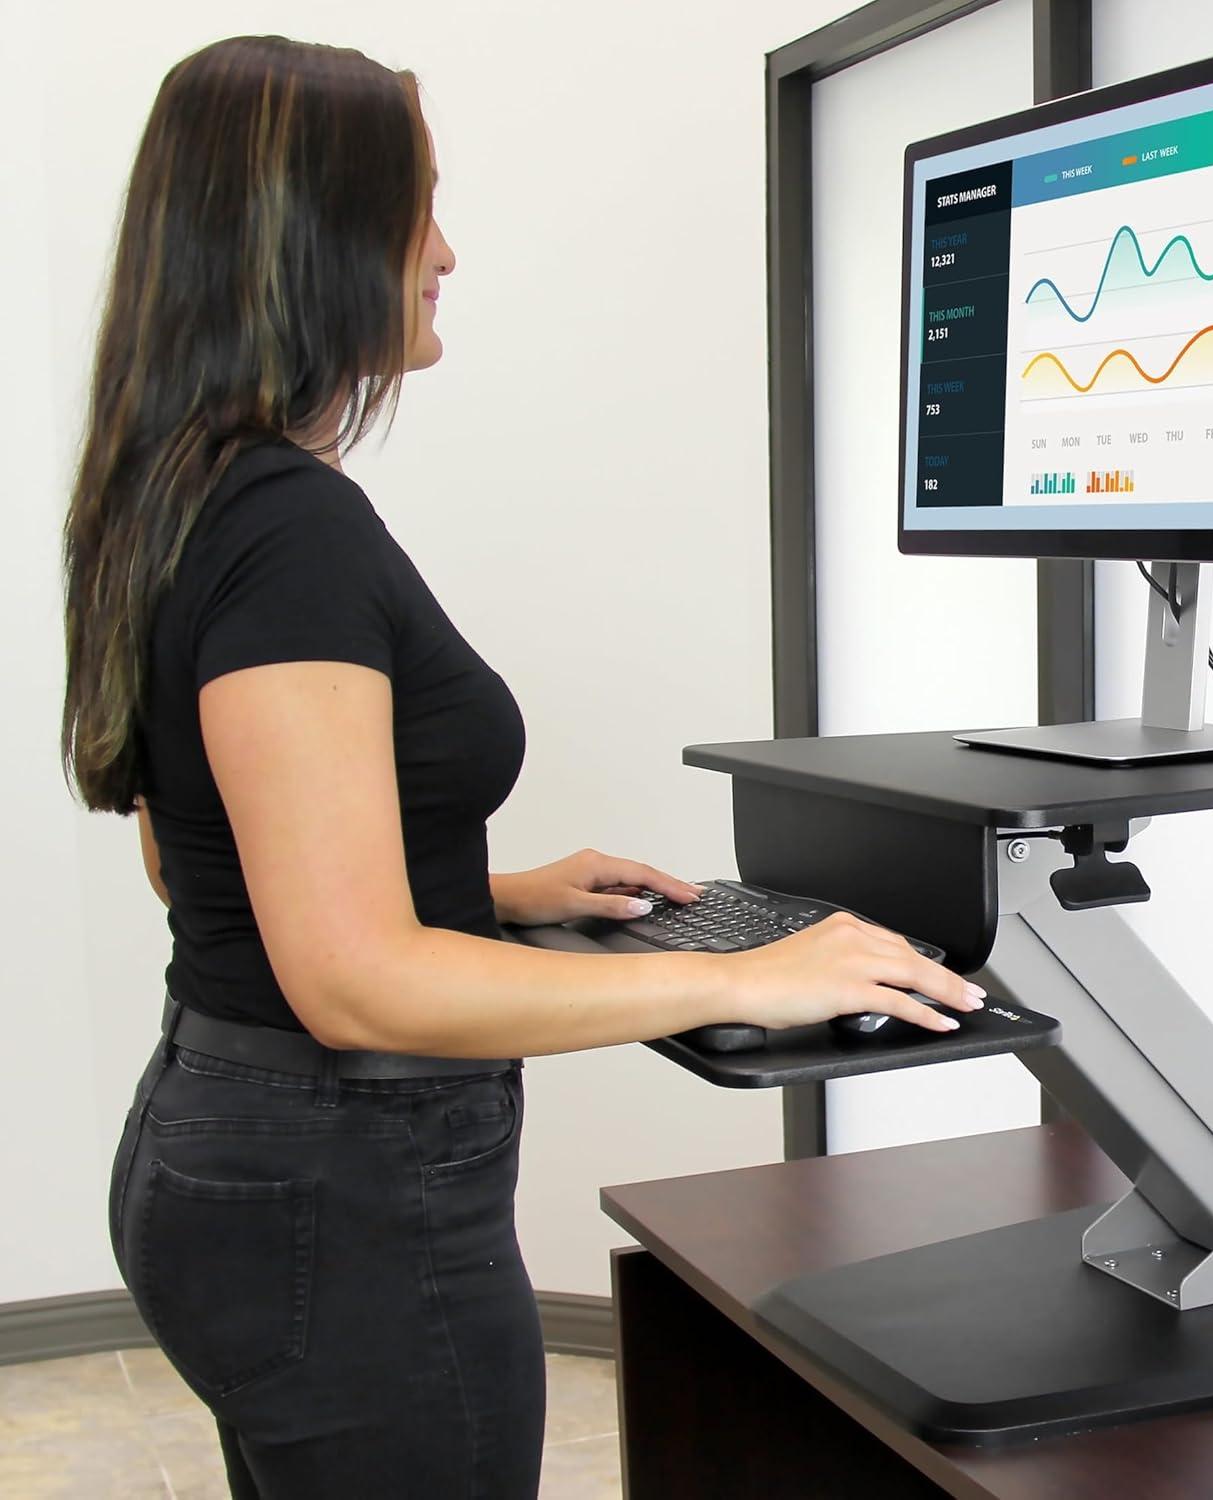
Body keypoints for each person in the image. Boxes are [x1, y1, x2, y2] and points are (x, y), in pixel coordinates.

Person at [60, 34, 986, 1500]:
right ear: (309, 239)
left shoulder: (179, 493)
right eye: (416, 208)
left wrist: (484, 889)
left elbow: (196, 848)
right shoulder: (289, 529)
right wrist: (749, 976)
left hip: (232, 1150)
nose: (444, 252)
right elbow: (352, 981)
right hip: (338, 1188)